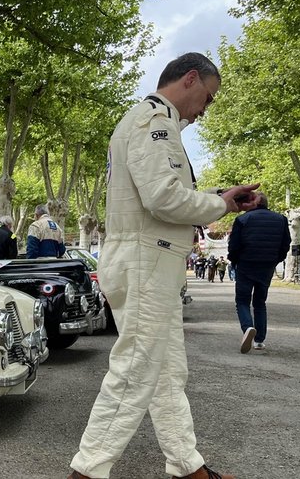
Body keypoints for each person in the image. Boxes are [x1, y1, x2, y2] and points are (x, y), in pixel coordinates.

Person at [67, 53, 259, 479]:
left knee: (168, 373)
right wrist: (219, 204)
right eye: (208, 98)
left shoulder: (146, 119)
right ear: (190, 79)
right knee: (135, 369)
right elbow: (164, 198)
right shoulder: (156, 121)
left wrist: (218, 195)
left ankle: (187, 466)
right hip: (146, 261)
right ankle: (86, 473)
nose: (205, 110)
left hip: (144, 257)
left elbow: (154, 195)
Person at [227, 192, 290, 353]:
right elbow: (285, 244)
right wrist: (276, 259)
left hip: (246, 263)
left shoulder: (242, 220)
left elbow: (234, 244)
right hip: (267, 264)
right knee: (260, 302)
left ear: (254, 202)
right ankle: (259, 340)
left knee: (242, 300)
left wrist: (234, 260)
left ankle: (248, 328)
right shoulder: (281, 219)